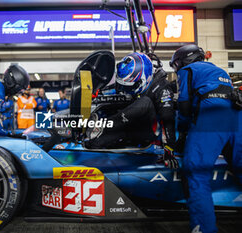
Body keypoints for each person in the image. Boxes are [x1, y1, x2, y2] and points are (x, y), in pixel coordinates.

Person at [170, 44, 242, 233]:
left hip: (212, 114)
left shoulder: (187, 70)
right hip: (237, 116)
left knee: (197, 171)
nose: (176, 67)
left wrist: (182, 134)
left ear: (184, 59)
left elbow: (184, 105)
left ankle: (204, 228)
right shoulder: (219, 70)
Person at [86, 52, 178, 168]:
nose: (125, 90)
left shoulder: (162, 88)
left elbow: (167, 118)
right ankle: (88, 141)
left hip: (153, 134)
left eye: (129, 86)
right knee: (96, 142)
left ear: (143, 79)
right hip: (133, 127)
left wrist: (169, 149)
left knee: (145, 102)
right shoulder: (138, 80)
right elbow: (117, 89)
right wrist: (98, 93)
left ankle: (102, 126)